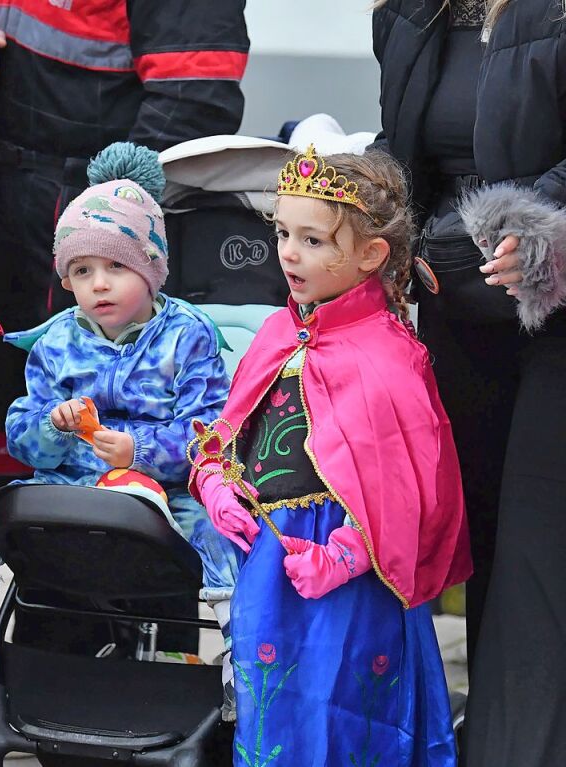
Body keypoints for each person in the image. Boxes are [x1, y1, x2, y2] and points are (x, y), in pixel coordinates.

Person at [0, 142, 240, 724]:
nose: (99, 285)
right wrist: (52, 430)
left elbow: (213, 432)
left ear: (153, 269)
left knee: (226, 530)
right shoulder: (56, 340)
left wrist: (142, 450)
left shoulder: (188, 335)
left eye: (117, 268)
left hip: (168, 494)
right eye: (82, 272)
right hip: (71, 486)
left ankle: (239, 668)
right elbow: (20, 434)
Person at [191, 146, 472, 766]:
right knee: (273, 712)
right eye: (284, 232)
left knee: (347, 713)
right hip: (271, 565)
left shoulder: (390, 356)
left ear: (371, 256)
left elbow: (411, 486)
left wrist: (347, 553)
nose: (289, 252)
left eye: (314, 240)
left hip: (351, 584)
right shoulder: (276, 334)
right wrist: (216, 484)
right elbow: (229, 433)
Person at [0, 0, 249, 491]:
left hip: (111, 220)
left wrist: (108, 217)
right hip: (17, 197)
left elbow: (195, 97)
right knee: (14, 448)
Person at [373, 2, 566, 762]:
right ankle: (494, 728)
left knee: (535, 548)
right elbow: (400, 152)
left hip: (553, 301)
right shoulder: (409, 13)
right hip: (456, 301)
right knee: (480, 537)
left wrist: (540, 225)